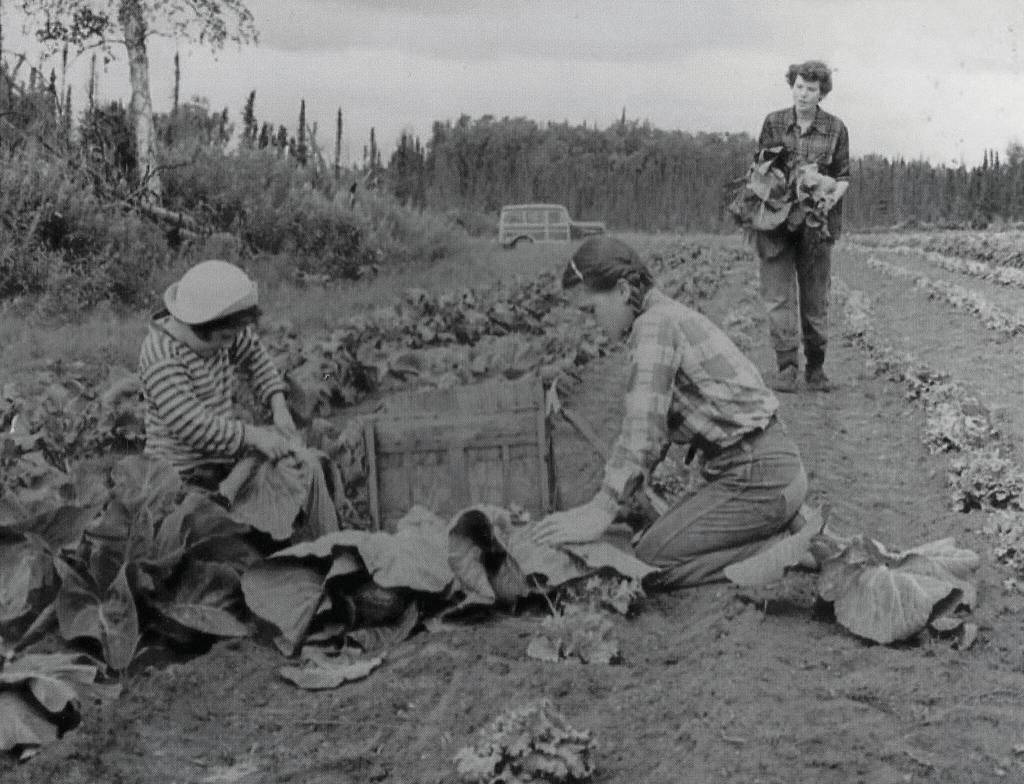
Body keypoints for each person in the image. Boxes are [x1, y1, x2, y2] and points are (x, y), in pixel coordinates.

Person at [533, 237, 809, 588]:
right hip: (773, 469)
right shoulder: (668, 315)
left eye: (592, 310)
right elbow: (653, 434)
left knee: (649, 562)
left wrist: (601, 509)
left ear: (621, 290)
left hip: (757, 476)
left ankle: (787, 548)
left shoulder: (653, 327)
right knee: (657, 534)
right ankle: (782, 527)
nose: (594, 323)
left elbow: (643, 431)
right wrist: (621, 498)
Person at [138, 259, 299, 487]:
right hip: (177, 474)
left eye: (233, 336)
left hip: (220, 460)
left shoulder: (218, 335)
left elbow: (256, 356)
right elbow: (193, 425)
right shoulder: (162, 355)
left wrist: (279, 406)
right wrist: (253, 435)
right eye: (225, 337)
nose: (230, 345)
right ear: (197, 325)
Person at [755, 60, 849, 393]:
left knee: (815, 299)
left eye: (811, 89)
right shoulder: (774, 122)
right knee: (778, 297)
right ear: (791, 86)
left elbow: (843, 176)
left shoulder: (836, 128)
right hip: (776, 224)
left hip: (816, 225)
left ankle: (816, 368)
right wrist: (781, 185)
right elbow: (761, 167)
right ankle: (786, 367)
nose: (803, 94)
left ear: (821, 92)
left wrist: (826, 197)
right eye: (798, 86)